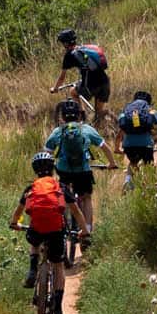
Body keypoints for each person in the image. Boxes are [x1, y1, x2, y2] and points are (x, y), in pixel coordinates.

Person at [43, 99, 116, 247]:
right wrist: (112, 163)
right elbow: (105, 147)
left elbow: (47, 153)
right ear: (79, 116)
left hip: (64, 171)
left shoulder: (58, 131)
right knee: (86, 198)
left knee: (64, 197)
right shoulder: (87, 130)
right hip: (83, 171)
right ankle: (87, 231)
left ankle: (64, 225)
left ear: (62, 116)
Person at [11, 150, 71, 314]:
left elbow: (19, 211)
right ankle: (58, 310)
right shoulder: (60, 187)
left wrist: (14, 223)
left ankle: (32, 268)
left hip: (37, 231)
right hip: (56, 231)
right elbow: (76, 212)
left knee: (34, 239)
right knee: (58, 266)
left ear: (35, 170)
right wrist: (84, 231)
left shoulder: (31, 188)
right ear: (53, 168)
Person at [51, 30, 110, 117]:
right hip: (105, 83)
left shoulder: (69, 55)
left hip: (91, 86)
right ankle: (108, 122)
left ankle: (82, 114)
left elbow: (62, 78)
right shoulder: (84, 49)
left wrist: (55, 88)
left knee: (73, 92)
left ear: (65, 43)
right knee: (98, 115)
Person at [117, 90, 157, 190]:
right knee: (148, 166)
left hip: (129, 145)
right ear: (148, 102)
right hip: (146, 145)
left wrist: (117, 148)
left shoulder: (126, 112)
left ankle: (128, 180)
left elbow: (119, 134)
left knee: (133, 163)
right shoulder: (151, 111)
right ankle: (149, 188)